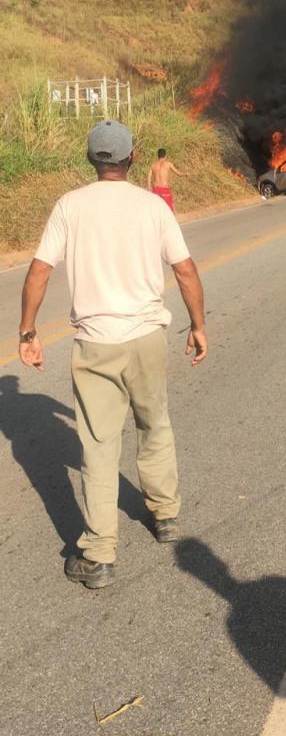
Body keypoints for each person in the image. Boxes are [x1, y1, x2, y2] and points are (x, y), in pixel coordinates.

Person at [18, 120, 207, 589]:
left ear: (91, 159)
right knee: (154, 423)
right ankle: (165, 516)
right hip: (146, 339)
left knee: (99, 447)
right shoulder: (152, 207)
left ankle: (99, 555)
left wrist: (28, 332)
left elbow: (40, 271)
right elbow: (184, 271)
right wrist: (199, 326)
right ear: (132, 157)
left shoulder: (70, 206)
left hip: (96, 343)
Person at [148, 148, 186, 212]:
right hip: (164, 189)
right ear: (165, 155)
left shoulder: (153, 165)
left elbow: (149, 178)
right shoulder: (168, 164)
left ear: (158, 155)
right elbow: (179, 174)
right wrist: (186, 174)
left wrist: (149, 188)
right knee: (169, 210)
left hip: (156, 189)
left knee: (157, 210)